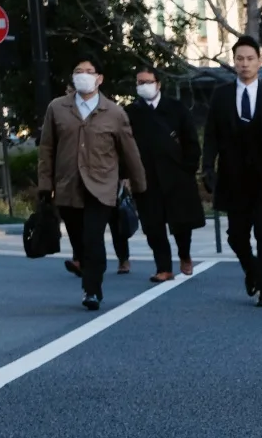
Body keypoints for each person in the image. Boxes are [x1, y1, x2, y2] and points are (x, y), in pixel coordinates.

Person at [37, 58, 147, 310]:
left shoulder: (115, 113)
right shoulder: (57, 108)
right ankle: (88, 272)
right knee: (78, 240)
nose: (83, 76)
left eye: (89, 72)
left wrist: (139, 185)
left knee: (93, 237)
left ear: (99, 78)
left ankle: (92, 290)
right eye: (78, 71)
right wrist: (45, 185)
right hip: (68, 186)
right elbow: (47, 149)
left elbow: (130, 152)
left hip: (102, 187)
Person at [202, 36, 262, 306]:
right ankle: (251, 269)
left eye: (250, 59)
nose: (245, 64)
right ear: (234, 62)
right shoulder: (221, 95)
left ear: (259, 61)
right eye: (240, 59)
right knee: (236, 236)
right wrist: (207, 166)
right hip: (235, 178)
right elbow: (211, 135)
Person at [125, 68, 205, 282]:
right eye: (139, 82)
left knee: (181, 223)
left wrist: (188, 167)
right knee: (153, 225)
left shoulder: (176, 108)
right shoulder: (131, 112)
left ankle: (184, 254)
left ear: (158, 84)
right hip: (146, 177)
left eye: (148, 81)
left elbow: (191, 141)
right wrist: (128, 174)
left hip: (176, 175)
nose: (144, 85)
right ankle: (164, 267)